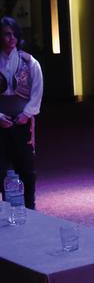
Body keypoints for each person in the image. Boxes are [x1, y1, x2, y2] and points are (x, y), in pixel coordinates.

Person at [0, 17, 42, 209]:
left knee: (26, 169)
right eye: (6, 34)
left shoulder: (29, 62)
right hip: (0, 121)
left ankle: (30, 206)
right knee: (0, 169)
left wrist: (26, 114)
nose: (11, 38)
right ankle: (4, 208)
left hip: (22, 121)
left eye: (14, 34)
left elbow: (37, 92)